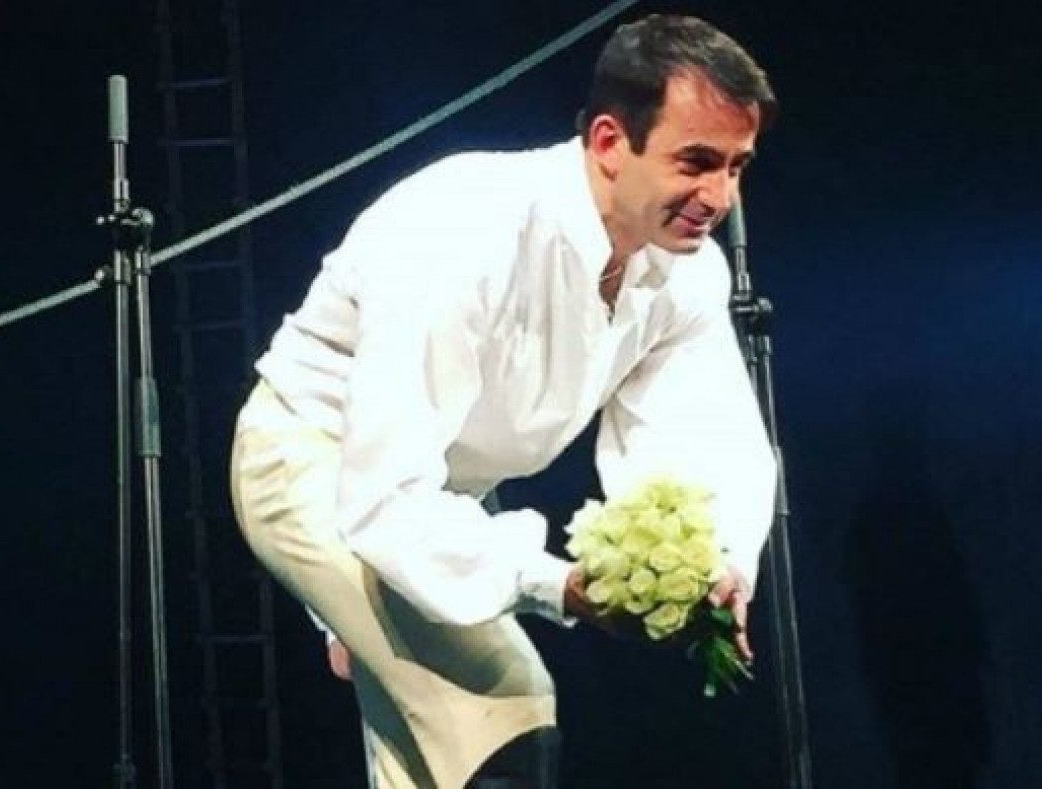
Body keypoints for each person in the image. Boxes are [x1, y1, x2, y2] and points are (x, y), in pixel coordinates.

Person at [229, 14, 778, 788]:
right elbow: (384, 488)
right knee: (505, 705)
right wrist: (558, 585)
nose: (718, 196)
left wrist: (717, 564)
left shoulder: (686, 274)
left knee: (426, 765)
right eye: (696, 162)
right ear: (610, 142)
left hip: (434, 494)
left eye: (736, 167)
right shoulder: (466, 227)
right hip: (315, 460)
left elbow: (698, 435)